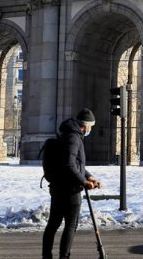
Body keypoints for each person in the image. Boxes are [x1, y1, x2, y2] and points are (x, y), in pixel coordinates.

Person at [43, 108, 101, 259]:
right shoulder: (74, 138)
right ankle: (64, 256)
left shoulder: (68, 135)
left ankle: (46, 256)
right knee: (70, 226)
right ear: (86, 125)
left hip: (58, 187)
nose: (90, 130)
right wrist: (84, 182)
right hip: (70, 190)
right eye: (91, 127)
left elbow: (76, 163)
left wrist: (89, 176)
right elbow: (69, 164)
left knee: (53, 225)